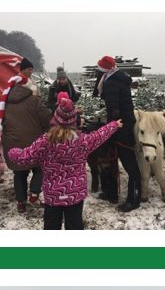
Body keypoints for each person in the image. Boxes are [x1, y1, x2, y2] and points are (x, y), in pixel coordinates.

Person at [7, 93, 122, 229]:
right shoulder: (82, 141)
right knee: (74, 226)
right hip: (75, 194)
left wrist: (12, 152)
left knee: (51, 227)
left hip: (53, 195)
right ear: (74, 120)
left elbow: (24, 157)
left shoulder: (45, 141)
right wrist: (114, 125)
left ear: (56, 119)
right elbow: (98, 136)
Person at [0, 72, 51, 212]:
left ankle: (21, 202)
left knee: (19, 173)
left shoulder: (1, 103)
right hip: (35, 142)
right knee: (39, 168)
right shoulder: (35, 101)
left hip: (13, 144)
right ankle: (34, 193)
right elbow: (46, 119)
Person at [94, 55, 141, 212]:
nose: (98, 71)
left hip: (122, 127)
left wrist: (112, 126)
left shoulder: (111, 82)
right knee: (109, 157)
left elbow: (114, 109)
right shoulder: (113, 79)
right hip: (120, 124)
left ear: (105, 69)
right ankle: (110, 193)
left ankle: (134, 199)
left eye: (100, 68)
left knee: (129, 164)